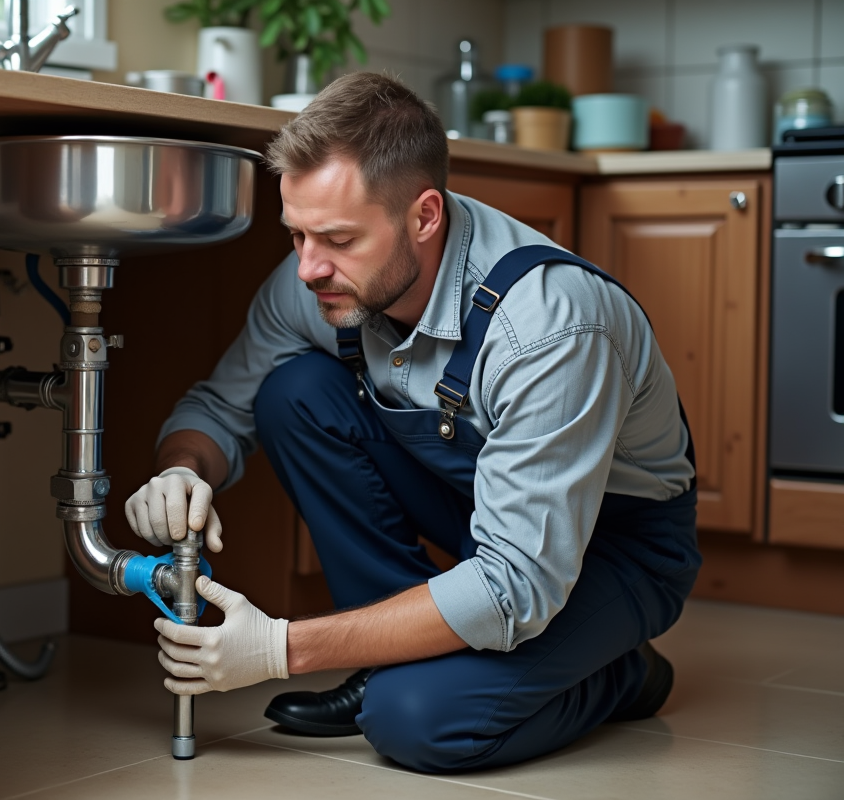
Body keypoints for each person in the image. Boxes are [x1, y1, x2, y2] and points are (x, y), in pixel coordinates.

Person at [124, 72, 700, 773]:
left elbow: (513, 583)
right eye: (297, 234)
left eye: (336, 238)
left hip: (608, 548)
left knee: (416, 722)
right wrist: (182, 468)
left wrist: (284, 648)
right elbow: (222, 406)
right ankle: (383, 663)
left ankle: (618, 672)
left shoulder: (549, 328)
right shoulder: (322, 277)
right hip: (482, 506)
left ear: (425, 217)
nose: (307, 269)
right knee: (293, 392)